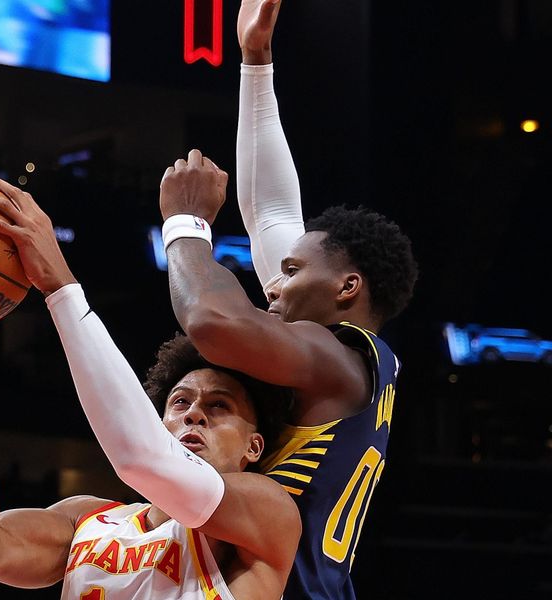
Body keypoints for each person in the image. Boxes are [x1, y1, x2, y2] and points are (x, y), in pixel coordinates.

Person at [0, 177, 300, 599]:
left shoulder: (267, 515)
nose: (194, 414)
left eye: (220, 406)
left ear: (255, 446)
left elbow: (146, 460)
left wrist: (60, 286)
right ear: (157, 423)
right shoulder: (87, 522)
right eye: (180, 402)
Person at [156, 2, 419, 598]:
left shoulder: (341, 357)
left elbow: (211, 321)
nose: (271, 281)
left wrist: (187, 226)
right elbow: (272, 214)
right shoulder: (348, 355)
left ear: (346, 288)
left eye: (292, 271)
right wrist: (256, 61)